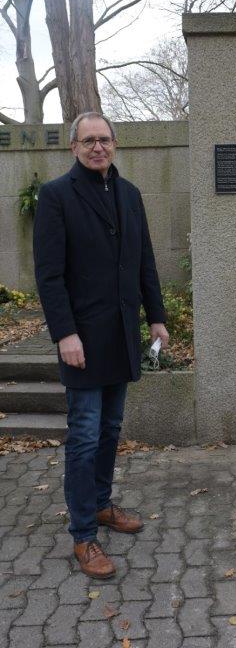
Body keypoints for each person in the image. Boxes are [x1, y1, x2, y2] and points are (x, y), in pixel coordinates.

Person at [33, 112, 169, 579]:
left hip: (121, 336)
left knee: (111, 429)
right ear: (73, 147)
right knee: (85, 434)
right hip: (82, 340)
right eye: (88, 140)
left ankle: (103, 504)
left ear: (115, 144)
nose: (97, 147)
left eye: (104, 139)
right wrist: (64, 333)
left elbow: (144, 260)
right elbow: (49, 276)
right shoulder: (56, 197)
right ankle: (83, 534)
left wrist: (156, 317)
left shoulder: (130, 195)